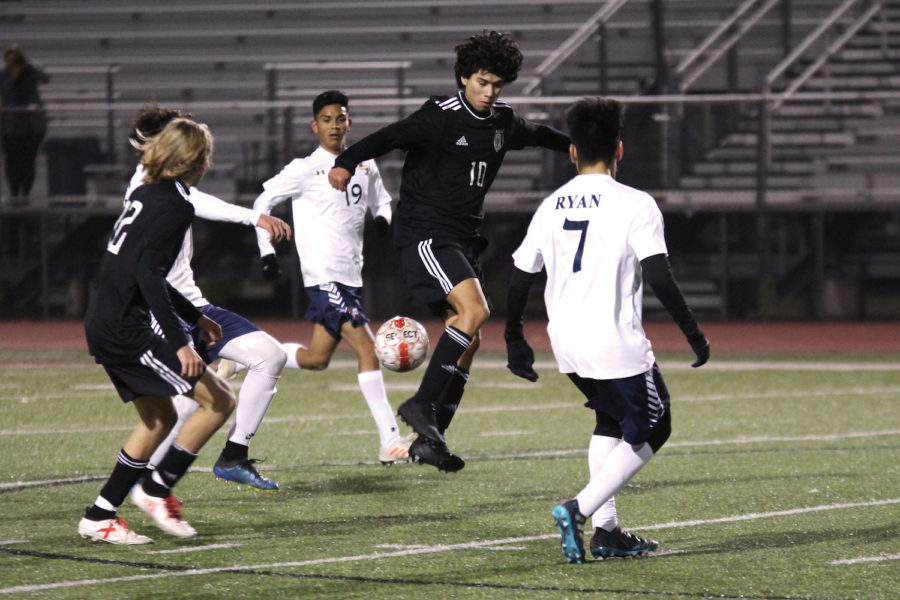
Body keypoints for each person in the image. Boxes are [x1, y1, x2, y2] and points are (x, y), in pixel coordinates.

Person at [328, 30, 570, 472]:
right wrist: (345, 162)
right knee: (475, 313)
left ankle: (430, 438)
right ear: (464, 78)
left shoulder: (502, 121)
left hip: (462, 238)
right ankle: (421, 405)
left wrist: (571, 144)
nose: (489, 92)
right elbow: (387, 137)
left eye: (497, 84)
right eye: (482, 82)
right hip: (426, 232)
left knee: (470, 337)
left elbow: (535, 132)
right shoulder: (439, 115)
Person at [504, 97, 710, 563]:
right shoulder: (635, 203)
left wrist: (515, 338)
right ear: (619, 150)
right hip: (613, 342)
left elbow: (519, 276)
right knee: (657, 424)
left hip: (567, 344)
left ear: (572, 152)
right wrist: (693, 332)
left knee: (611, 422)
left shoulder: (550, 205)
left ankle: (607, 533)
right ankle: (579, 508)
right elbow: (659, 274)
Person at [79, 118, 236, 544]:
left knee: (160, 418)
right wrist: (182, 342)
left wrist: (195, 315)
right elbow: (148, 273)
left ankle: (100, 515)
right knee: (220, 400)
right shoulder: (175, 203)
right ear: (195, 159)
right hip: (124, 327)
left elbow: (148, 270)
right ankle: (155, 489)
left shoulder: (148, 193)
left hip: (106, 319)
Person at [125, 104, 294, 492]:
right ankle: (142, 486)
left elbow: (194, 199)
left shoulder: (172, 185)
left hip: (193, 306)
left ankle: (234, 455)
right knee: (183, 403)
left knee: (270, 356)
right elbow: (197, 204)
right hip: (159, 310)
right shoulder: (147, 185)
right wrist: (256, 217)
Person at [253, 90, 415, 464]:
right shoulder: (304, 169)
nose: (334, 126)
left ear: (349, 123)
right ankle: (390, 442)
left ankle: (246, 358)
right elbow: (262, 203)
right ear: (315, 126)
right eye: (326, 120)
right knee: (368, 349)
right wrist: (267, 251)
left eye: (340, 119)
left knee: (315, 359)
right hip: (323, 276)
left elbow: (384, 201)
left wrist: (382, 222)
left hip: (350, 277)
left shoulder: (365, 163)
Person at [0, 44, 49, 200]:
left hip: (31, 127)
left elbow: (46, 79)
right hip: (10, 126)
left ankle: (26, 192)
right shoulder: (3, 75)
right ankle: (14, 192)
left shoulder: (30, 72)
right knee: (12, 162)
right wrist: (14, 75)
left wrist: (28, 66)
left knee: (28, 161)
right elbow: (5, 90)